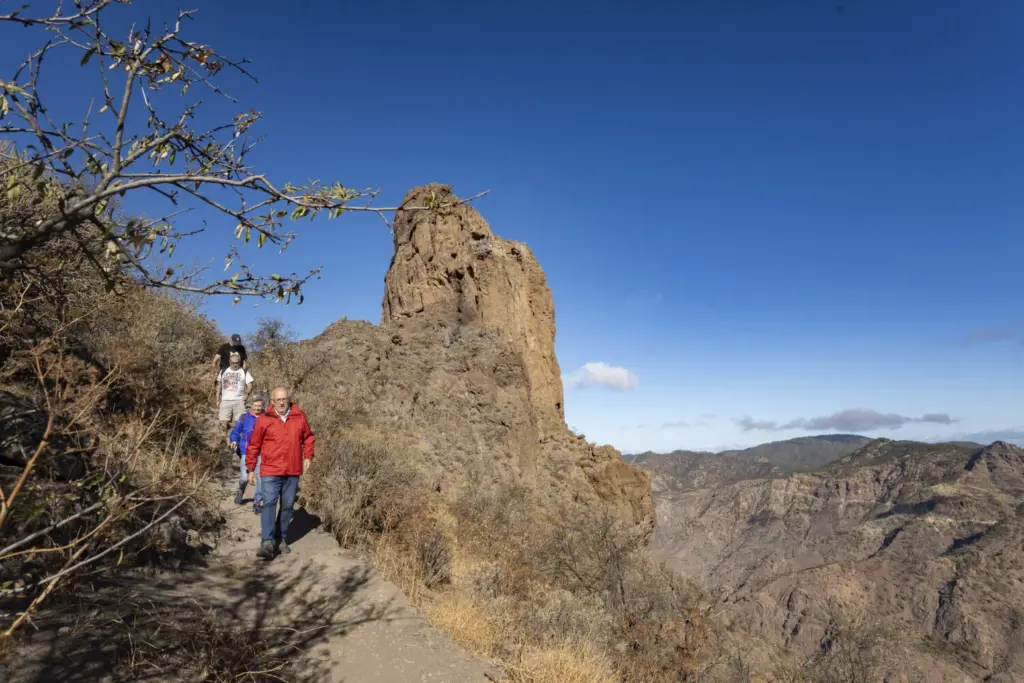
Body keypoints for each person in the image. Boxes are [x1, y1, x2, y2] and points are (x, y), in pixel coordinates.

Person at [245, 386, 315, 560]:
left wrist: (308, 455)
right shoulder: (264, 419)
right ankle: (267, 542)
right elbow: (254, 444)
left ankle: (280, 538)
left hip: (292, 469)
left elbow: (308, 437)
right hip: (270, 469)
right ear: (273, 401)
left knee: (287, 506)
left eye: (284, 399)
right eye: (278, 400)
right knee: (269, 503)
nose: (282, 402)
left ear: (289, 399)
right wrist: (251, 468)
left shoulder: (299, 416)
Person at [229, 395, 265, 513]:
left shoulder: (267, 417)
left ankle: (257, 503)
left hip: (262, 452)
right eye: (255, 406)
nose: (258, 408)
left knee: (260, 478)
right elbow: (235, 431)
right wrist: (234, 440)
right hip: (246, 451)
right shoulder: (244, 417)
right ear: (251, 406)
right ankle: (241, 491)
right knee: (244, 477)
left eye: (260, 406)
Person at [217, 352, 253, 438]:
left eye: (237, 363)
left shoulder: (244, 372)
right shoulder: (223, 371)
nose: (235, 365)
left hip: (239, 401)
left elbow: (250, 385)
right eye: (233, 363)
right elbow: (218, 386)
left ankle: (237, 442)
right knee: (223, 422)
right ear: (229, 362)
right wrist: (217, 399)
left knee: (239, 423)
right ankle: (224, 443)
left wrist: (247, 394)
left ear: (239, 362)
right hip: (225, 401)